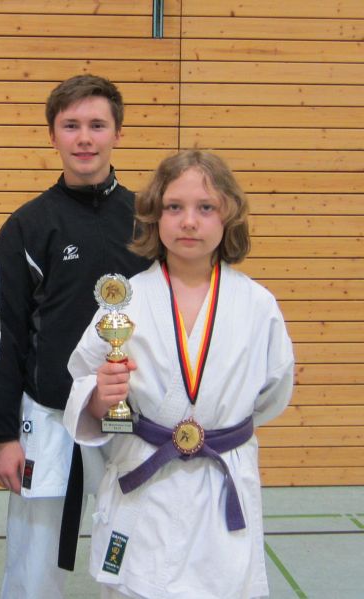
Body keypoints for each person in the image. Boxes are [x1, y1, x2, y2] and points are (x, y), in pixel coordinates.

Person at [63, 150, 294, 598]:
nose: (189, 222)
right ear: (155, 215)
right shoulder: (125, 301)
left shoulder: (257, 305)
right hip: (146, 480)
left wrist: (218, 425)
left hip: (220, 479)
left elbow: (272, 392)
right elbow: (84, 378)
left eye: (205, 207)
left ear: (228, 216)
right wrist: (99, 398)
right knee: (137, 586)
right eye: (174, 207)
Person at [0, 75, 151, 599]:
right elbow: (3, 337)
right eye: (71, 126)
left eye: (97, 125)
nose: (85, 138)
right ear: (52, 135)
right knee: (33, 572)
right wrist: (2, 434)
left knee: (137, 562)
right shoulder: (27, 226)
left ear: (118, 132)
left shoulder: (148, 223)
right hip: (48, 420)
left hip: (133, 419)